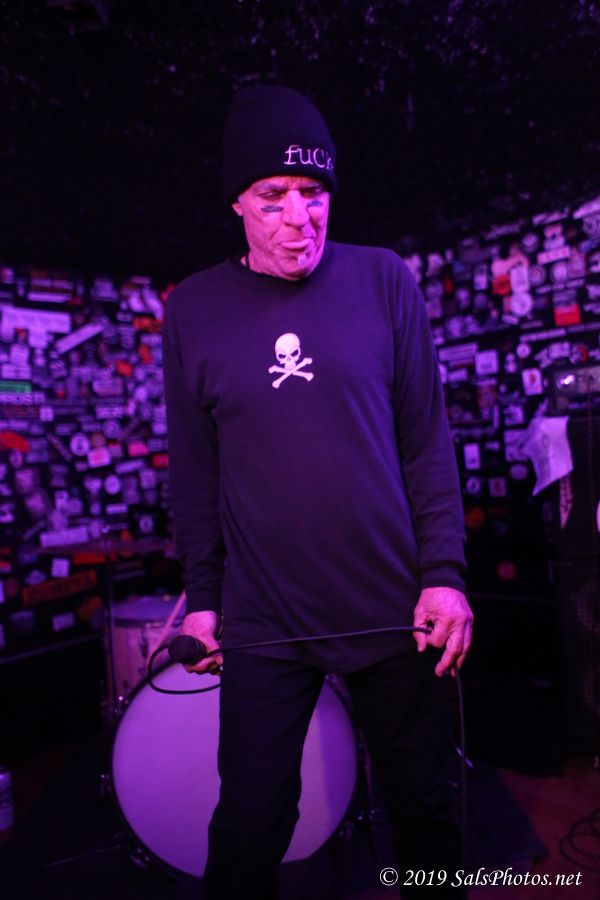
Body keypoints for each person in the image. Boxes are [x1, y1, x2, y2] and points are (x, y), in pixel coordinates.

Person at [162, 84, 473, 899]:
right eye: (274, 196)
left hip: (394, 604)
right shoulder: (194, 309)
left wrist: (444, 574)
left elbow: (426, 441)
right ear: (237, 201)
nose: (299, 216)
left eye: (314, 192)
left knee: (425, 810)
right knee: (249, 821)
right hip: (265, 614)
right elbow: (194, 472)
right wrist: (204, 600)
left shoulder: (383, 280)